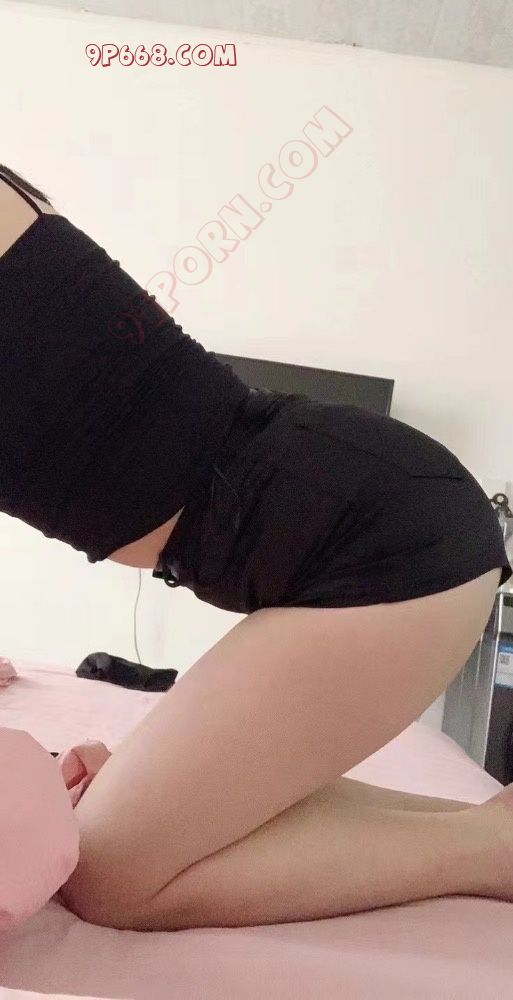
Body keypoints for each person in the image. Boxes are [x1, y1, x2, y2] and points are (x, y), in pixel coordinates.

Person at [1, 164, 512, 932]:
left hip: (384, 542)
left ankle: (493, 851)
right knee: (128, 818)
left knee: (107, 875)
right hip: (366, 512)